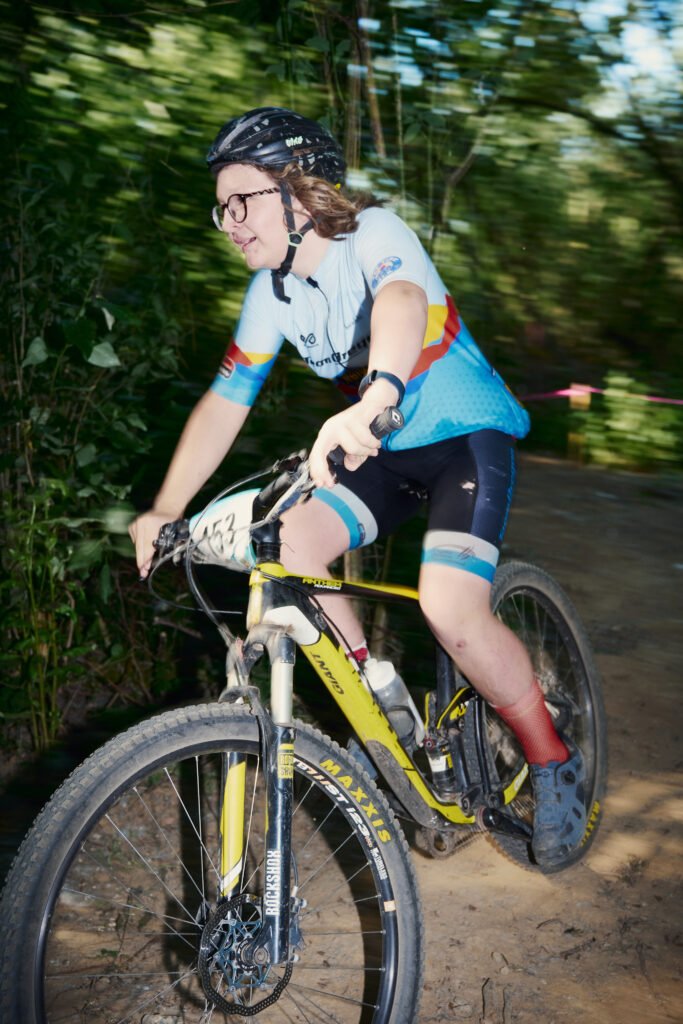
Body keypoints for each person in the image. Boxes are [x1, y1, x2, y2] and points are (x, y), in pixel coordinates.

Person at [129, 107, 585, 867]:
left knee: (450, 608)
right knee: (285, 544)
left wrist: (376, 396)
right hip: (382, 449)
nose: (229, 223)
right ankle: (380, 693)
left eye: (242, 201)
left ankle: (551, 756)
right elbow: (225, 401)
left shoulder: (373, 235)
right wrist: (166, 508)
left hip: (463, 436)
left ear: (297, 191)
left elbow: (401, 304)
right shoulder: (271, 294)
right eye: (222, 207)